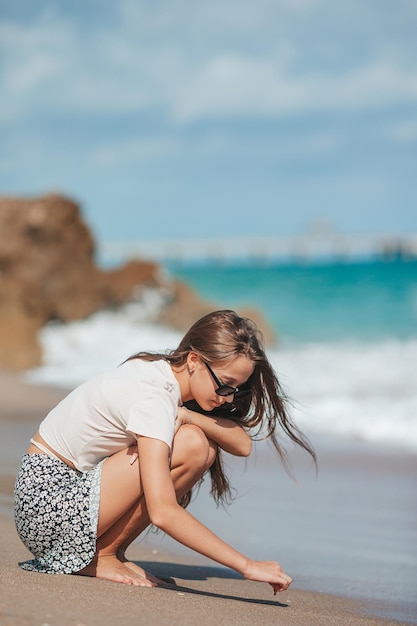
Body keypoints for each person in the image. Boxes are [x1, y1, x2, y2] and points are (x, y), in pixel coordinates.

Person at [14, 309, 315, 595]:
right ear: (195, 360)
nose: (229, 397)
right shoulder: (155, 398)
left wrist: (189, 416)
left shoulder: (160, 376)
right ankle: (101, 554)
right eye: (225, 385)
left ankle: (107, 551)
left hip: (50, 502)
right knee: (194, 445)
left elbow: (243, 445)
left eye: (237, 389)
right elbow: (163, 512)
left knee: (198, 443)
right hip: (46, 508)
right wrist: (246, 566)